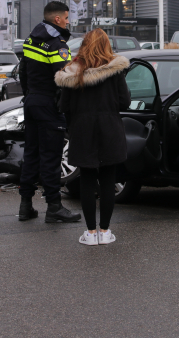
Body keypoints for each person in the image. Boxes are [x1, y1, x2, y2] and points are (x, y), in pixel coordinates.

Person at [55, 29, 131, 245]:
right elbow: (124, 102)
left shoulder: (71, 72)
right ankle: (105, 232)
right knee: (108, 180)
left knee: (87, 180)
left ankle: (90, 233)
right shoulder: (115, 71)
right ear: (107, 45)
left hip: (82, 130)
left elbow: (64, 106)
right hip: (110, 129)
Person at [17, 1, 81, 224]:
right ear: (57, 20)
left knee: (31, 154)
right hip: (48, 106)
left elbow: (22, 71)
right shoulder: (56, 44)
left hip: (32, 102)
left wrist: (29, 95)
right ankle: (54, 207)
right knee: (51, 157)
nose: (68, 21)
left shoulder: (31, 39)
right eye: (66, 17)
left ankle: (25, 205)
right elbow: (65, 79)